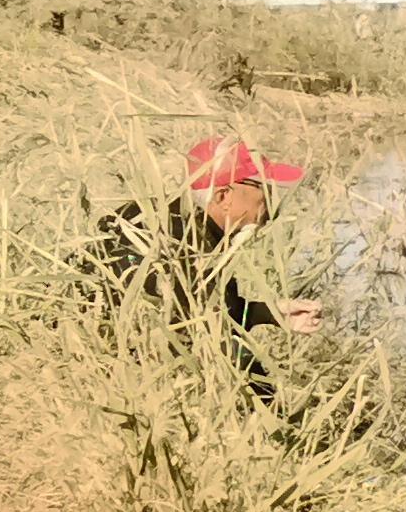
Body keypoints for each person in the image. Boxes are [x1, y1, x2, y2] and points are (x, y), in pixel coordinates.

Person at [91, 138, 325, 356]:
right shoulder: (185, 246)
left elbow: (210, 311)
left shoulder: (160, 217)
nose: (272, 203)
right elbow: (194, 330)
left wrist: (273, 313)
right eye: (264, 190)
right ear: (223, 197)